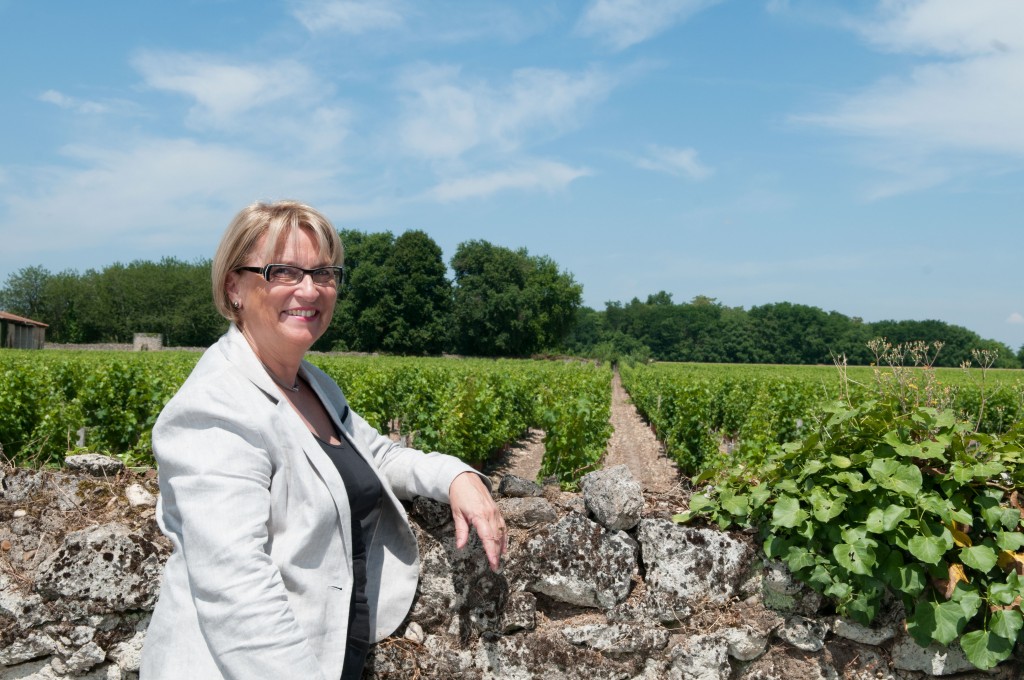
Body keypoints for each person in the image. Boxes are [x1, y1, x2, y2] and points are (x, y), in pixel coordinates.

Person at [140, 200, 507, 680]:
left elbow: (375, 455)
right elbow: (235, 588)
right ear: (234, 287)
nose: (310, 290)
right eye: (284, 271)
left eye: (324, 273)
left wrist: (455, 475)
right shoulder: (213, 406)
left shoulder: (310, 383)